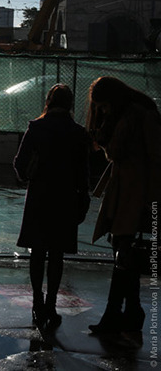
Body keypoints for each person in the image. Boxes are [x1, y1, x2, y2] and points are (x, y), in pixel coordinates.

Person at [86, 76, 161, 334]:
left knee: (122, 254)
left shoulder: (135, 116)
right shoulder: (139, 113)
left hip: (132, 193)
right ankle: (128, 311)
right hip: (130, 191)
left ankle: (117, 313)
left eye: (104, 106)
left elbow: (149, 156)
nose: (103, 111)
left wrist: (151, 201)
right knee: (123, 254)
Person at [14, 84, 90, 331]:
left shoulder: (36, 127)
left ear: (48, 101)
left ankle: (37, 302)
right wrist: (83, 199)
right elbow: (83, 173)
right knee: (57, 253)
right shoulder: (78, 133)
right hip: (65, 199)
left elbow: (20, 163)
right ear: (70, 104)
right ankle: (51, 304)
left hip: (39, 197)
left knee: (37, 252)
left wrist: (30, 174)